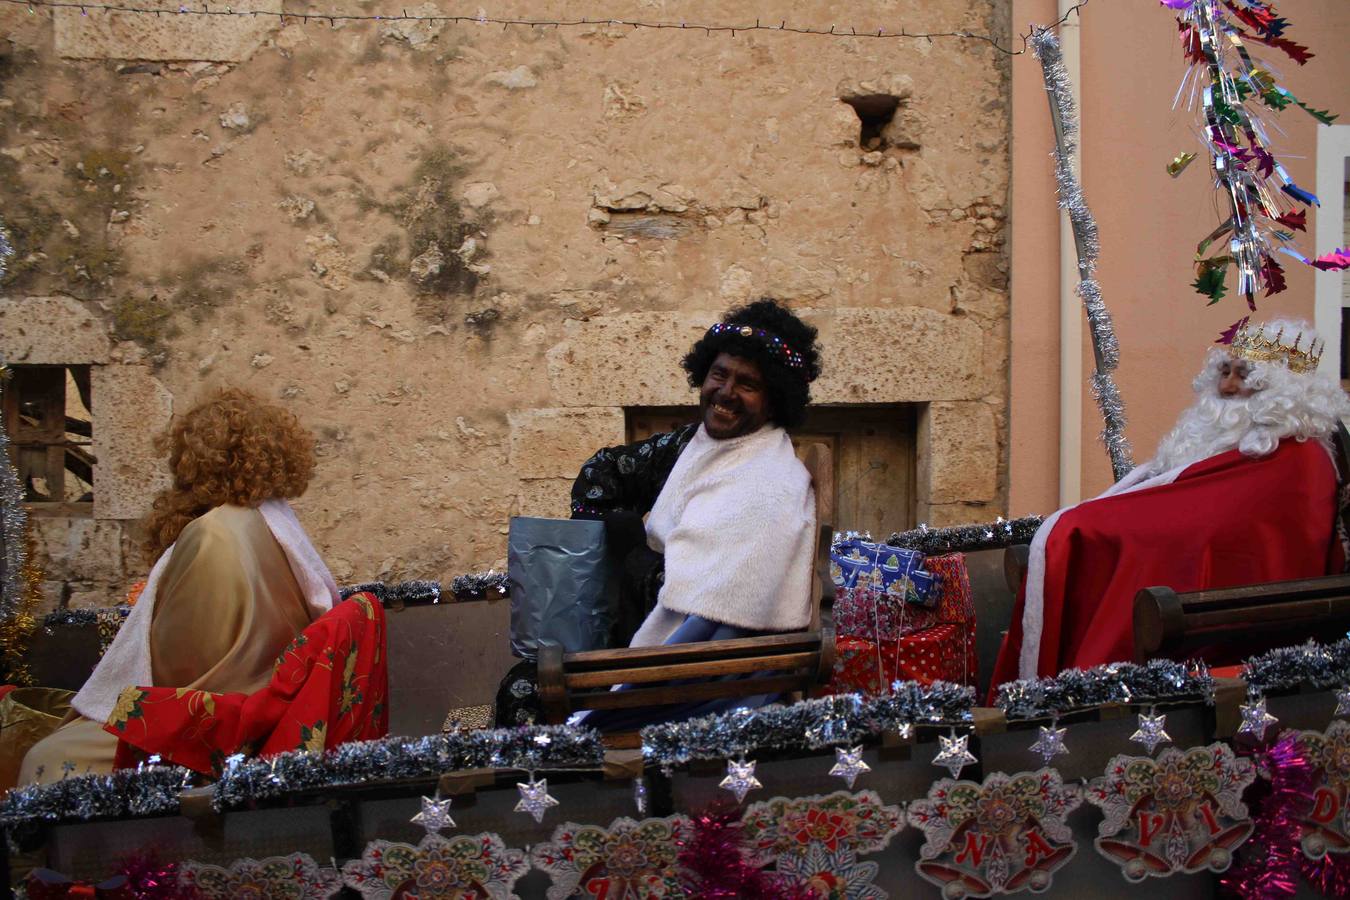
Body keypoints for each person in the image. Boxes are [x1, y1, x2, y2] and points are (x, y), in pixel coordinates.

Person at [496, 298, 823, 726]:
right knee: (527, 671)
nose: (725, 392)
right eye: (718, 374)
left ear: (775, 400)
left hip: (687, 676)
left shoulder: (767, 485)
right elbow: (603, 471)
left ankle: (562, 790)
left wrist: (637, 558)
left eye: (747, 384)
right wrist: (605, 551)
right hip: (636, 634)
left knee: (524, 692)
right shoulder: (693, 445)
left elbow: (705, 615)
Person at [992, 318, 1350, 686]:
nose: (1226, 386)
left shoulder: (1299, 458)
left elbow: (1224, 526)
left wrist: (1105, 525)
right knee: (1079, 532)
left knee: (1087, 536)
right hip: (1211, 596)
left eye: (1244, 375)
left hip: (1243, 612)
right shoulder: (1246, 440)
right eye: (1224, 372)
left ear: (1280, 389)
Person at [17, 388, 338, 784]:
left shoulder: (213, 534)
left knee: (44, 756)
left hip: (219, 721)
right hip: (266, 703)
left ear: (196, 460)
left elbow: (177, 667)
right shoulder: (270, 520)